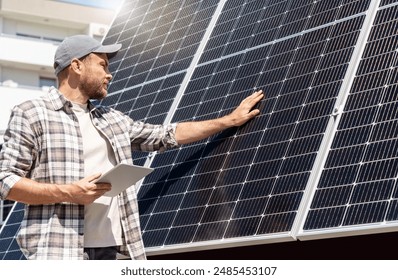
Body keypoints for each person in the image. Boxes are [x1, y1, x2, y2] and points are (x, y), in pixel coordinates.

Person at [0, 35, 264, 260]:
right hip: (61, 252)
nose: (109, 73)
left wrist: (229, 120)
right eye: (102, 65)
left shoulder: (112, 118)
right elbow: (5, 180)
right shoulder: (32, 113)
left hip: (118, 251)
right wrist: (69, 192)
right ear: (77, 66)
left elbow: (166, 135)